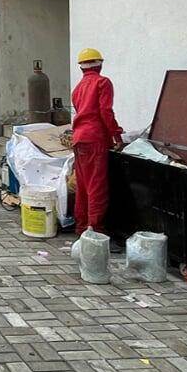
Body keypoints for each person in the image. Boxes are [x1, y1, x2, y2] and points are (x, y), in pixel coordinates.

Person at [70, 47, 123, 235]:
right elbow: (105, 112)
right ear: (99, 64)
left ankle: (81, 226)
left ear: (81, 67)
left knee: (83, 186)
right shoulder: (103, 83)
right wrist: (117, 135)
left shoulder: (78, 88)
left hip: (79, 139)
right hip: (95, 139)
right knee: (96, 186)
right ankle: (95, 229)